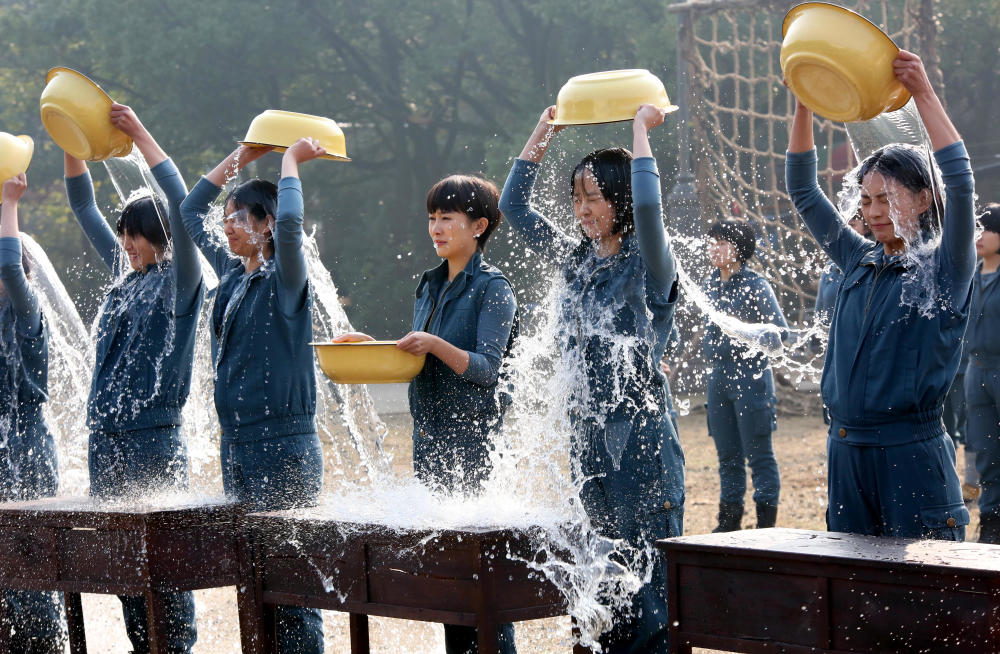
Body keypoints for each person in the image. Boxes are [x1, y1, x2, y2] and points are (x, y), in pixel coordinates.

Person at [499, 104, 683, 653]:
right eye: (575, 198)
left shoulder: (650, 264)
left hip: (641, 442)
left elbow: (650, 211)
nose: (581, 209)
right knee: (600, 590)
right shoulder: (576, 259)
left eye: (593, 197)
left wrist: (639, 135)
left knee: (648, 593)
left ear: (620, 199)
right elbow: (513, 205)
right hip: (589, 442)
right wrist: (543, 132)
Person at [785, 50, 975, 540]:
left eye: (886, 198)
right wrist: (805, 102)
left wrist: (924, 94)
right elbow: (804, 190)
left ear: (924, 197)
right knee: (852, 600)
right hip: (845, 453)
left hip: (911, 455)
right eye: (866, 200)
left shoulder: (944, 267)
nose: (872, 211)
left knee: (927, 604)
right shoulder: (856, 259)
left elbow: (960, 179)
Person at [336, 174, 518, 653]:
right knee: (449, 587)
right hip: (430, 446)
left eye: (447, 219)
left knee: (483, 591)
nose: (436, 228)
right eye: (432, 218)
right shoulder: (429, 285)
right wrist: (367, 344)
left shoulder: (495, 289)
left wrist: (436, 344)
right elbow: (415, 359)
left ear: (478, 226)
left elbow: (485, 369)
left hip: (475, 449)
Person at [64, 104, 202, 654]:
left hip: (152, 439)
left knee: (164, 564)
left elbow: (181, 203)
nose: (127, 245)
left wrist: (139, 132)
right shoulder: (124, 279)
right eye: (124, 235)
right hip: (107, 442)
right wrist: (69, 135)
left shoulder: (180, 283)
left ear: (162, 236)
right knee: (124, 568)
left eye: (137, 236)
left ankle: (177, 647)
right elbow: (82, 204)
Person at [180, 139, 324, 653]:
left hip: (283, 445)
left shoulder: (285, 278)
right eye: (229, 218)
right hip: (237, 445)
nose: (227, 225)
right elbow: (190, 210)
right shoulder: (233, 278)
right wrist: (240, 158)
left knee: (293, 590)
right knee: (252, 583)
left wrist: (288, 164)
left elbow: (290, 231)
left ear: (266, 222)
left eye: (239, 216)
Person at [0, 174, 66, 653]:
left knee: (34, 583)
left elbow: (9, 268)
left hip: (26, 454)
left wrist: (9, 204)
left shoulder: (28, 316)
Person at [702, 219, 787, 531]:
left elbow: (781, 332)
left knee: (760, 456)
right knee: (727, 457)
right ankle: (729, 523)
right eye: (711, 242)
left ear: (739, 249)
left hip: (750, 379)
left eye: (721, 243)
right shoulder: (709, 284)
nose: (714, 248)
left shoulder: (757, 286)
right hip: (718, 380)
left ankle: (766, 527)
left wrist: (748, 334)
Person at [964, 203, 1000, 542]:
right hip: (976, 374)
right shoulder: (970, 274)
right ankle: (991, 526)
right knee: (985, 451)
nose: (980, 235)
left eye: (987, 228)